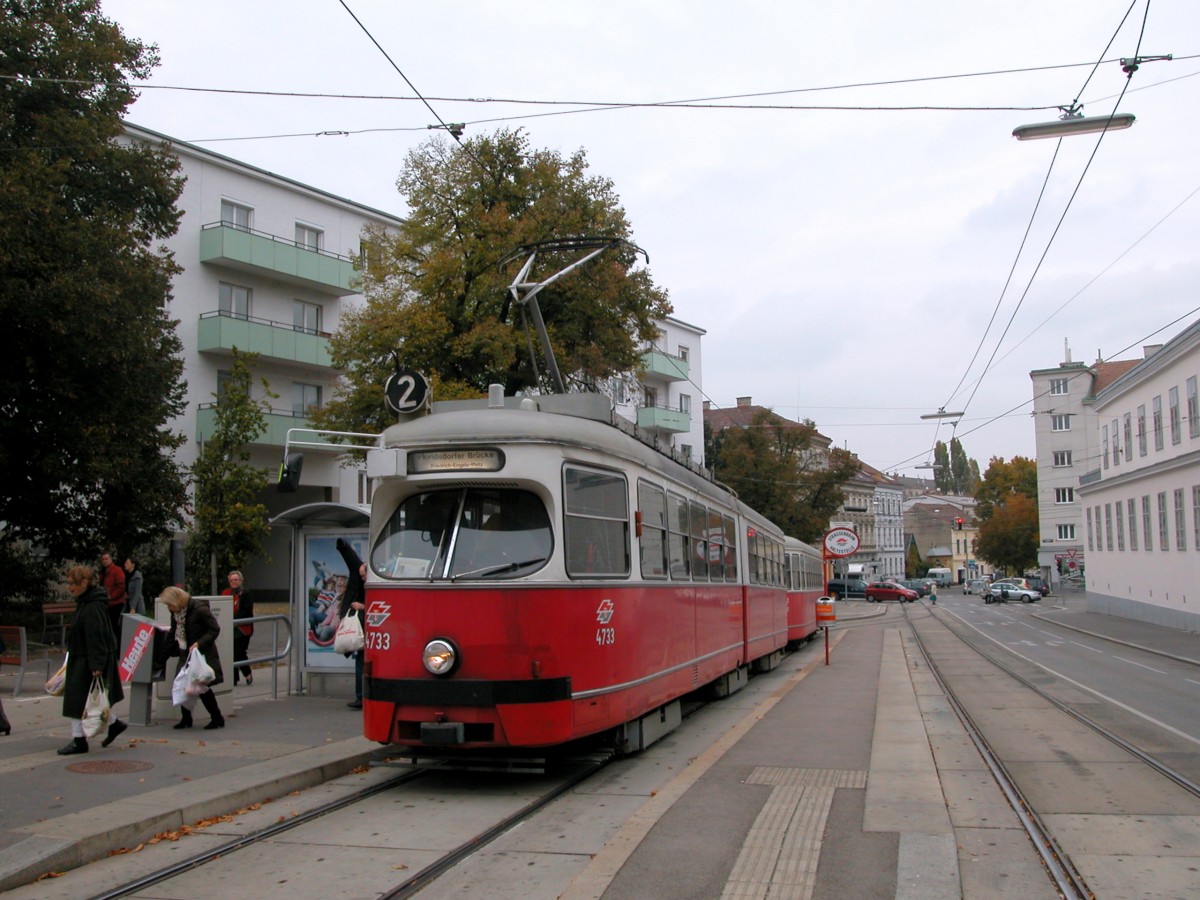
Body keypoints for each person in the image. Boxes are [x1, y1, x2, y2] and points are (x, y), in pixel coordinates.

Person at [58, 565, 128, 754]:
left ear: (84, 583)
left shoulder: (92, 606)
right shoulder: (89, 602)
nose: (69, 587)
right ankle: (113, 724)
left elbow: (96, 636)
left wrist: (96, 665)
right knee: (85, 699)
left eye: (73, 583)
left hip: (87, 659)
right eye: (68, 583)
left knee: (77, 699)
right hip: (84, 657)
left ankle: (79, 741)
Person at [159, 586, 225, 729]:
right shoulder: (176, 613)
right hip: (185, 652)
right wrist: (162, 656)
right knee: (183, 685)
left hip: (200, 652)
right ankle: (186, 719)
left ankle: (217, 717)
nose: (168, 608)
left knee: (201, 686)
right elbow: (173, 634)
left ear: (177, 601)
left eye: (169, 604)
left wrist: (199, 643)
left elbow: (214, 629)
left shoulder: (199, 609)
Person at [336, 538, 367, 710]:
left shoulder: (360, 576)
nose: (362, 578)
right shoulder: (363, 575)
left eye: (364, 575)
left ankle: (361, 697)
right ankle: (362, 696)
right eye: (361, 575)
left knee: (361, 661)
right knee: (361, 660)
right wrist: (343, 546)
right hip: (363, 624)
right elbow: (352, 559)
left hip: (363, 624)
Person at [223, 570, 254, 686]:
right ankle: (233, 678)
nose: (233, 582)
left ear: (241, 580)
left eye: (236, 580)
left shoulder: (245, 594)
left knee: (239, 652)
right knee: (230, 652)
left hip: (242, 628)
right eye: (231, 580)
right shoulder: (226, 593)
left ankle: (247, 673)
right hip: (229, 628)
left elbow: (247, 611)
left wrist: (234, 619)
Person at [99, 551, 126, 637]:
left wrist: (111, 596)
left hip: (115, 603)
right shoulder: (103, 572)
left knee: (113, 626)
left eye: (106, 559)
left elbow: (121, 586)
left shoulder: (116, 570)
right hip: (107, 603)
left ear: (110, 559)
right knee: (108, 626)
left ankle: (117, 645)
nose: (104, 561)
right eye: (103, 559)